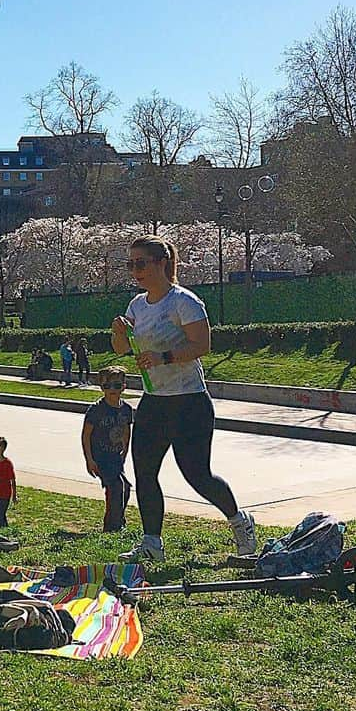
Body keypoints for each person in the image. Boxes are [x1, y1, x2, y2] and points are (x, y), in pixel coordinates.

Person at [112, 235, 256, 564]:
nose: (135, 271)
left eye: (141, 264)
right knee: (145, 473)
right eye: (131, 264)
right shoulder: (137, 305)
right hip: (154, 401)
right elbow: (122, 350)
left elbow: (202, 345)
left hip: (189, 403)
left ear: (162, 263)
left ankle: (240, 522)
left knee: (198, 475)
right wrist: (119, 333)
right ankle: (152, 543)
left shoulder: (184, 301)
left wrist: (163, 358)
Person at [82, 367, 134, 532]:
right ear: (101, 387)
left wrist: (125, 451)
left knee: (125, 488)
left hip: (115, 456)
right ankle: (112, 526)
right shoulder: (96, 410)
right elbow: (86, 435)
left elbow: (126, 431)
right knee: (116, 486)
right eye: (107, 386)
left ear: (123, 387)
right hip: (100, 457)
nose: (112, 390)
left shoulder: (126, 409)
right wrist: (89, 460)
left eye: (116, 386)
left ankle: (118, 519)